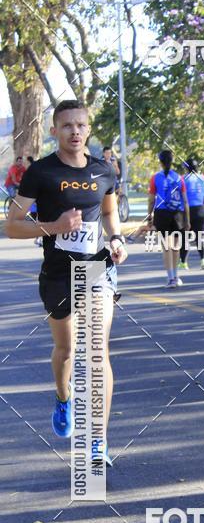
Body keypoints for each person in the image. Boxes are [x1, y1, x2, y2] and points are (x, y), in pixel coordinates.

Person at [5, 99, 127, 462]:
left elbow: (108, 212)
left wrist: (117, 239)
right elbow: (12, 225)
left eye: (81, 125)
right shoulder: (40, 172)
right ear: (55, 131)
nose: (75, 131)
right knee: (67, 351)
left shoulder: (104, 171)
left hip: (95, 269)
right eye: (67, 125)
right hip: (57, 273)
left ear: (88, 129)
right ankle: (63, 398)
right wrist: (54, 227)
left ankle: (97, 441)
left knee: (95, 350)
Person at [144, 150, 189, 288]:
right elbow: (185, 200)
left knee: (166, 248)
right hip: (177, 214)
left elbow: (151, 200)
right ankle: (176, 276)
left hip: (162, 213)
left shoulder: (155, 178)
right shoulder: (179, 178)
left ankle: (170, 278)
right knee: (176, 247)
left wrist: (149, 216)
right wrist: (187, 220)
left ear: (161, 162)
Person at [179, 157, 204, 271]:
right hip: (200, 209)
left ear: (186, 168)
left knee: (185, 238)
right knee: (200, 237)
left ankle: (183, 263)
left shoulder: (183, 179)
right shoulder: (203, 179)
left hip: (187, 211)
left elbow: (181, 196)